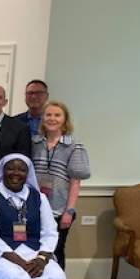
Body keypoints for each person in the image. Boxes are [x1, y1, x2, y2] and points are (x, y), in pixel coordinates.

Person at [31, 101, 91, 269]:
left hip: (59, 209)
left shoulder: (74, 146)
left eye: (57, 115)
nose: (52, 118)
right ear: (42, 118)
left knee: (55, 251)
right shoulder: (35, 143)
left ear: (65, 120)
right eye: (48, 115)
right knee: (35, 250)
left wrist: (69, 211)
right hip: (36, 207)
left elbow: (75, 181)